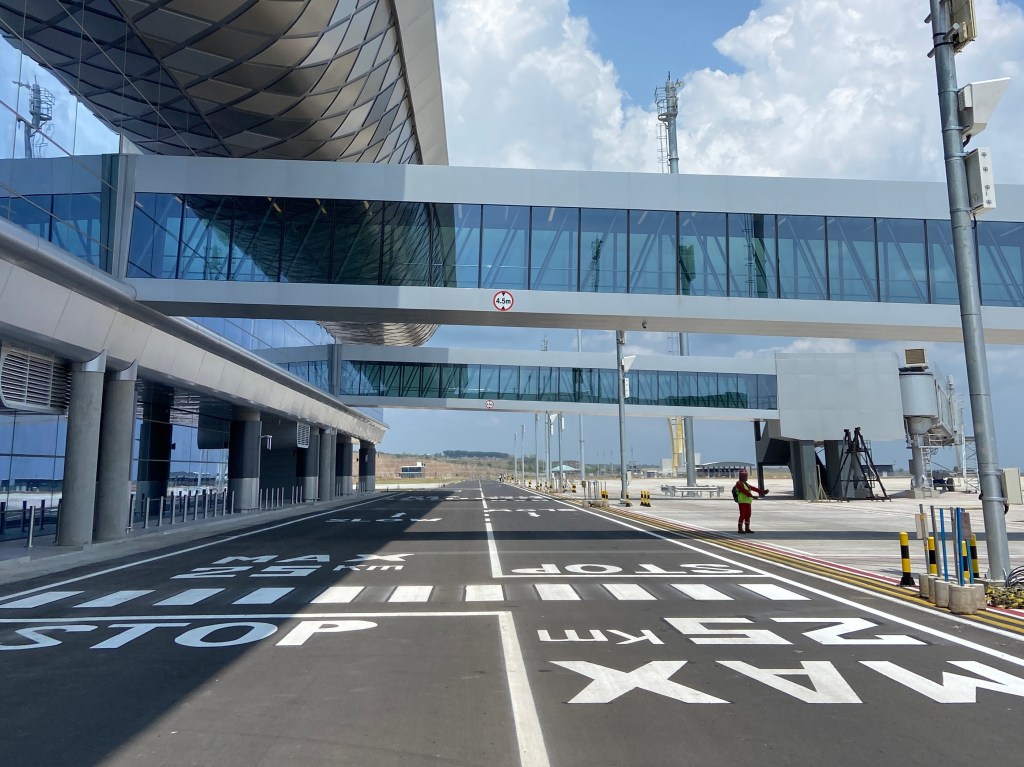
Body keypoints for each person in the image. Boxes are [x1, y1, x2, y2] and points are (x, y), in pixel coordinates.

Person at [733, 468, 767, 534]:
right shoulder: (738, 483)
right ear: (741, 476)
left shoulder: (746, 484)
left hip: (748, 502)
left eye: (746, 475)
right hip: (742, 502)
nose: (746, 477)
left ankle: (747, 528)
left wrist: (762, 492)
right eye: (745, 476)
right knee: (742, 515)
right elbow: (744, 491)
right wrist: (752, 496)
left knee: (748, 515)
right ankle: (740, 529)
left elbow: (753, 488)